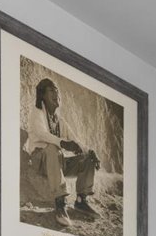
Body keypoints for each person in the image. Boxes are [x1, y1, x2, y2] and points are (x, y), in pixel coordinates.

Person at [24, 77, 100, 227]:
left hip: (56, 162)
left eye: (57, 91)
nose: (56, 94)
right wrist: (63, 143)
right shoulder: (37, 112)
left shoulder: (60, 121)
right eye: (51, 90)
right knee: (53, 148)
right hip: (40, 161)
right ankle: (60, 204)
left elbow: (75, 140)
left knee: (87, 157)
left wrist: (90, 151)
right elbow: (42, 134)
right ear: (42, 95)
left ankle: (81, 201)